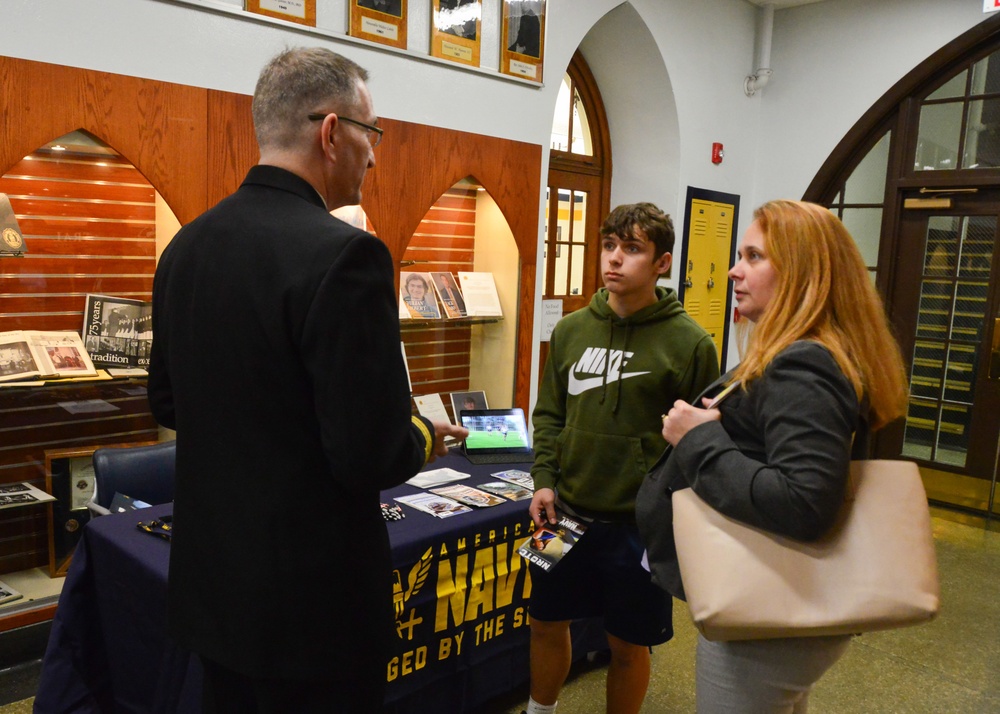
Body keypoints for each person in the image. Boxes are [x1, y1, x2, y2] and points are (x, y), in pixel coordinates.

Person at [147, 47, 467, 714]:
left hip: (215, 594)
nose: (374, 156)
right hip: (312, 614)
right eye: (370, 133)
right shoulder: (346, 256)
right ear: (331, 134)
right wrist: (420, 434)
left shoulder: (186, 246)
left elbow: (168, 401)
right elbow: (369, 454)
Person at [642, 200, 908, 713]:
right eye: (739, 254)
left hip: (768, 612)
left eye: (754, 256)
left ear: (802, 273)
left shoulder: (804, 363)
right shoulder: (796, 352)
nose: (734, 270)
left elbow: (804, 501)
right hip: (774, 601)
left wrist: (696, 439)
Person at [526, 202, 720, 714]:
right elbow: (548, 415)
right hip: (561, 511)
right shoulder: (570, 331)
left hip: (640, 527)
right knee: (544, 622)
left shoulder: (691, 343)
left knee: (628, 644)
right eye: (609, 245)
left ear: (662, 263)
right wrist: (543, 479)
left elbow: (701, 446)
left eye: (632, 249)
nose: (614, 259)